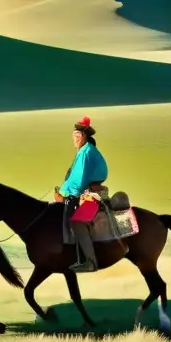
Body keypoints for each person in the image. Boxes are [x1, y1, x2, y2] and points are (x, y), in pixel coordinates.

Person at [53, 116, 108, 273]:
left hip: (91, 194)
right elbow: (74, 177)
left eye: (76, 137)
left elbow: (79, 180)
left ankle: (90, 262)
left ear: (83, 136)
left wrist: (62, 194)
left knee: (77, 222)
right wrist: (63, 190)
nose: (74, 140)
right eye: (73, 137)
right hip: (87, 191)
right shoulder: (85, 150)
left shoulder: (85, 153)